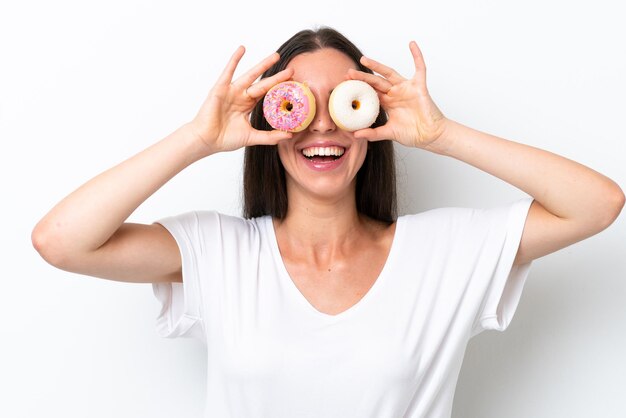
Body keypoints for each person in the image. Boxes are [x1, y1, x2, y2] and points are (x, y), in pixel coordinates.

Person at [32, 27, 624, 418]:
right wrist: (198, 139)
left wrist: (444, 135)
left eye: (344, 102)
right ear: (271, 123)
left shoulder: (444, 253)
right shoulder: (219, 252)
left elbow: (597, 203)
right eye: (300, 105)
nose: (322, 127)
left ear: (372, 122)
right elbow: (61, 242)